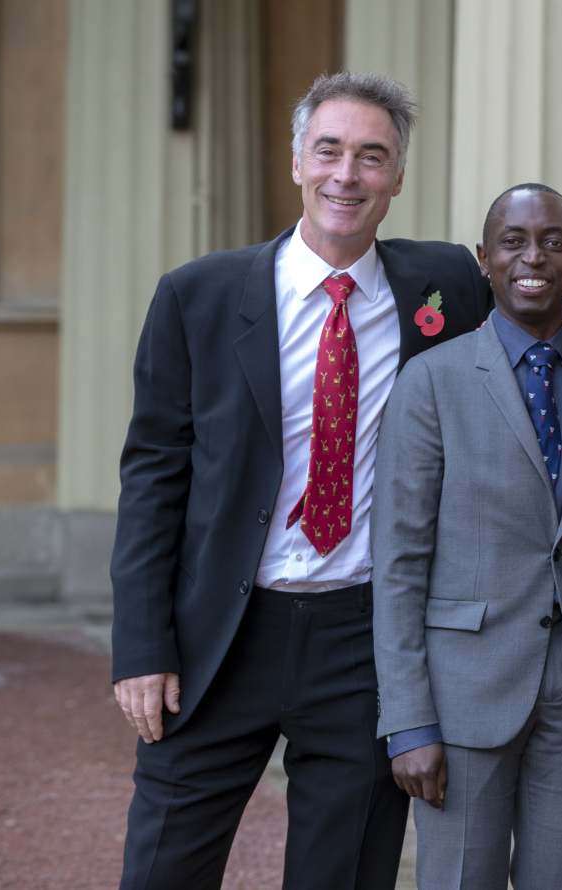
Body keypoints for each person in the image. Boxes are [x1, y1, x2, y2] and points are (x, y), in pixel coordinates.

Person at [108, 72, 508, 889]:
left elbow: (554, 307)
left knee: (343, 874)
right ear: (296, 161)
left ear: (397, 179)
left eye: (372, 157)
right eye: (328, 150)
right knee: (162, 868)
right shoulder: (199, 296)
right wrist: (142, 646)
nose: (346, 175)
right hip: (220, 636)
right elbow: (153, 476)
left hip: (363, 643)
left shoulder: (442, 286)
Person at [370, 183, 562, 889]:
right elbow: (398, 564)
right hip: (460, 700)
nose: (532, 257)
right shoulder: (431, 382)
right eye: (513, 241)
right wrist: (409, 723)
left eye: (552, 241)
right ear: (484, 259)